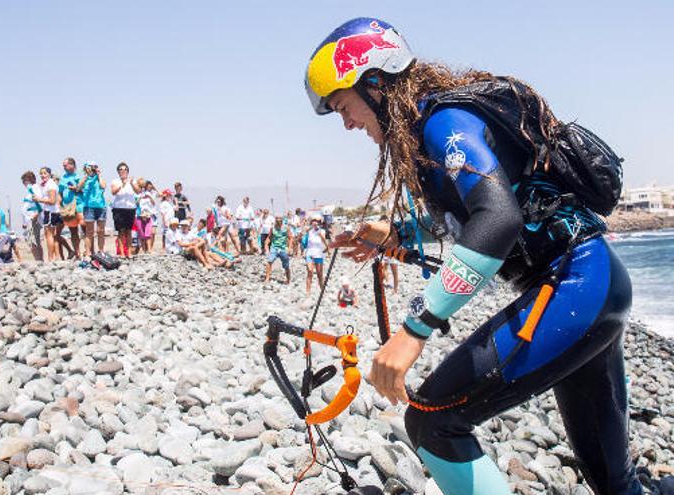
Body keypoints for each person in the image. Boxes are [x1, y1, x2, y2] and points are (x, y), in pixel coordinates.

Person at [308, 17, 666, 494]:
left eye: (344, 106)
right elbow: (478, 211)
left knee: (434, 423)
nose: (348, 123)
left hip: (574, 285)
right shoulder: (432, 129)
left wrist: (415, 329)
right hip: (590, 285)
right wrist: (396, 231)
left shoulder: (442, 122)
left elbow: (497, 221)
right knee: (615, 484)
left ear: (375, 82)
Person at [110, 162, 141, 259]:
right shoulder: (115, 181)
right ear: (118, 172)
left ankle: (129, 252)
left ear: (128, 171)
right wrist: (122, 184)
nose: (123, 171)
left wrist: (131, 183)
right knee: (121, 231)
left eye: (125, 169)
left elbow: (138, 191)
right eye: (120, 169)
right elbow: (113, 192)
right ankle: (122, 253)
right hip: (118, 208)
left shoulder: (133, 181)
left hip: (130, 208)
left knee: (129, 231)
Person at [79, 161, 107, 257]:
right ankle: (88, 252)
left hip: (100, 206)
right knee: (89, 231)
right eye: (90, 167)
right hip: (89, 206)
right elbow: (78, 187)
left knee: (101, 230)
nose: (92, 169)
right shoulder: (85, 179)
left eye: (94, 167)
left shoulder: (99, 178)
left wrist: (99, 175)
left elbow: (103, 186)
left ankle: (101, 251)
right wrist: (86, 176)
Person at [34, 166, 61, 262]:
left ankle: (50, 257)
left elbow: (52, 200)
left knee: (49, 235)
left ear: (49, 174)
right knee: (50, 235)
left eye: (45, 173)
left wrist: (38, 199)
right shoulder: (47, 184)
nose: (42, 175)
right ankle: (54, 257)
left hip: (50, 211)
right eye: (41, 173)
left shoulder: (51, 185)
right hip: (51, 211)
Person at [58, 157, 82, 259]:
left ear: (72, 165)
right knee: (73, 231)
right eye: (63, 165)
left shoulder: (79, 176)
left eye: (66, 165)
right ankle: (77, 253)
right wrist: (60, 204)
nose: (64, 167)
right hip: (67, 207)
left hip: (79, 204)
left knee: (85, 228)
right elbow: (60, 192)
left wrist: (76, 188)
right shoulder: (63, 178)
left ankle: (89, 251)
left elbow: (85, 190)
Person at [20, 171, 44, 261]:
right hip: (29, 219)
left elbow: (39, 202)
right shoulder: (30, 190)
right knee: (32, 240)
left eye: (24, 181)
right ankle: (38, 259)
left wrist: (36, 214)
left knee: (35, 240)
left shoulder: (35, 188)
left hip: (34, 218)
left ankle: (39, 260)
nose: (24, 184)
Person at [303, 215, 328, 296]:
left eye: (317, 221)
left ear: (319, 223)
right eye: (314, 221)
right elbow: (303, 234)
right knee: (309, 272)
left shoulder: (322, 231)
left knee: (319, 274)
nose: (315, 222)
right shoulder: (309, 230)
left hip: (318, 254)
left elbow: (324, 240)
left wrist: (319, 233)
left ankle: (322, 291)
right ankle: (308, 291)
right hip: (309, 253)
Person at [264, 216, 290, 284]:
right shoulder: (272, 228)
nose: (278, 220)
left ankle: (288, 279)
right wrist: (266, 246)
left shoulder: (286, 228)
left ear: (282, 220)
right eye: (277, 219)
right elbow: (269, 237)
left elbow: (291, 237)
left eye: (280, 219)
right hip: (274, 247)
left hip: (283, 248)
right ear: (275, 220)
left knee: (286, 265)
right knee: (269, 261)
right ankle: (267, 278)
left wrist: (289, 248)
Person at [135, 179, 157, 253]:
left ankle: (150, 249)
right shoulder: (139, 193)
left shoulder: (151, 193)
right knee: (142, 234)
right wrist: (141, 197)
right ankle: (144, 250)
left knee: (148, 233)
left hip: (148, 215)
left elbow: (154, 203)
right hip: (140, 215)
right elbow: (136, 203)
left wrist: (150, 197)